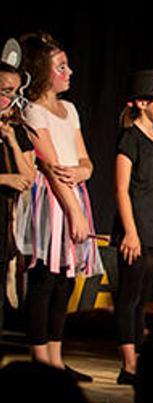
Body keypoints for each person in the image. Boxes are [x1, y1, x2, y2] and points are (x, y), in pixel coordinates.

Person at [19, 32, 103, 382]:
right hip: (51, 199)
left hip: (74, 192)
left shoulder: (69, 109)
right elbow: (51, 168)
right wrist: (74, 212)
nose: (69, 72)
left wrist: (83, 171)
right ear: (41, 71)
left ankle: (56, 358)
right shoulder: (32, 110)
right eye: (61, 67)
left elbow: (85, 159)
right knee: (45, 276)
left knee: (65, 281)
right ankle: (41, 360)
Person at [112, 69, 153, 385]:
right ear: (141, 102)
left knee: (141, 298)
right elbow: (122, 189)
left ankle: (135, 361)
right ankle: (128, 365)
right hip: (134, 232)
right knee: (128, 297)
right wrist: (131, 231)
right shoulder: (130, 138)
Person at [0, 39, 35, 334]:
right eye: (4, 92)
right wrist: (4, 179)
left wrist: (11, 139)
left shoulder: (13, 130)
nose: (9, 99)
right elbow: (14, 180)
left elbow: (28, 177)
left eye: (13, 92)